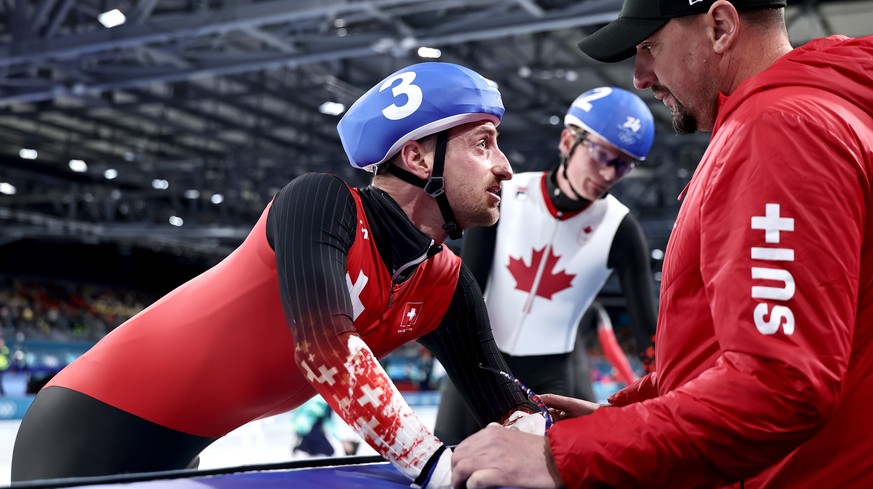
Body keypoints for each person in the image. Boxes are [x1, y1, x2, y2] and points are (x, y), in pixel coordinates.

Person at [11, 62, 548, 489]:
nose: (505, 166)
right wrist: (431, 464)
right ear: (414, 154)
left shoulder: (445, 282)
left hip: (181, 447)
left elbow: (507, 403)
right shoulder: (322, 203)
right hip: (85, 425)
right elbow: (326, 351)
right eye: (483, 144)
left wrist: (570, 444)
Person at [451, 0, 873, 488]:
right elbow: (723, 349)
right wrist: (629, 416)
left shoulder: (781, 129)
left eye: (650, 46)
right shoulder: (820, 113)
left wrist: (566, 455)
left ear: (719, 26)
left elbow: (781, 385)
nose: (640, 76)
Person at [434, 86, 658, 445]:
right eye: (601, 154)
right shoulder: (506, 192)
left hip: (551, 375)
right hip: (481, 364)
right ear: (568, 141)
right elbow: (467, 283)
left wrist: (664, 402)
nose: (609, 172)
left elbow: (649, 330)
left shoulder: (621, 227)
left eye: (623, 164)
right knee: (446, 469)